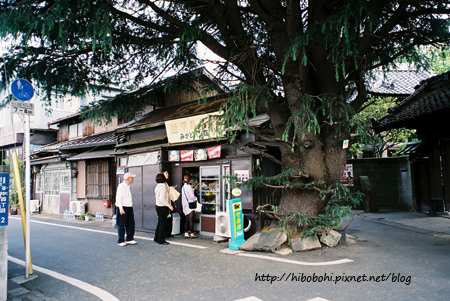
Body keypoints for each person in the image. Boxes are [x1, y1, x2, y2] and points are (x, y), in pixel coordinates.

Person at [115, 172, 137, 247]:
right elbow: (118, 198)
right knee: (122, 224)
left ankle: (129, 238)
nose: (133, 179)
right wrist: (121, 208)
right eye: (132, 178)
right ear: (128, 179)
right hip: (123, 207)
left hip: (129, 206)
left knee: (131, 223)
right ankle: (120, 240)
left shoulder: (128, 186)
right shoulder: (121, 186)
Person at [154, 173, 174, 244]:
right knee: (163, 224)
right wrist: (169, 205)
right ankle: (161, 239)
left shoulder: (158, 186)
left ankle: (157, 237)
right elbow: (162, 199)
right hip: (162, 207)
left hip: (158, 206)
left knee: (160, 222)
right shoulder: (163, 187)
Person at [181, 173, 197, 238]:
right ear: (190, 180)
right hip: (190, 205)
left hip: (185, 205)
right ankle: (192, 233)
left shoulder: (183, 187)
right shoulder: (189, 187)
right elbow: (192, 196)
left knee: (186, 220)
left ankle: (186, 233)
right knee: (191, 220)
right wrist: (196, 199)